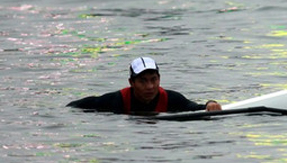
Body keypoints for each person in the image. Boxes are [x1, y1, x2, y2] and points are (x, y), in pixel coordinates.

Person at [68, 56, 223, 114]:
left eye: (153, 79)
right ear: (131, 83)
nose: (150, 86)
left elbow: (194, 108)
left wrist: (210, 104)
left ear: (159, 79)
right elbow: (79, 105)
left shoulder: (172, 99)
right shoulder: (117, 100)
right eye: (143, 81)